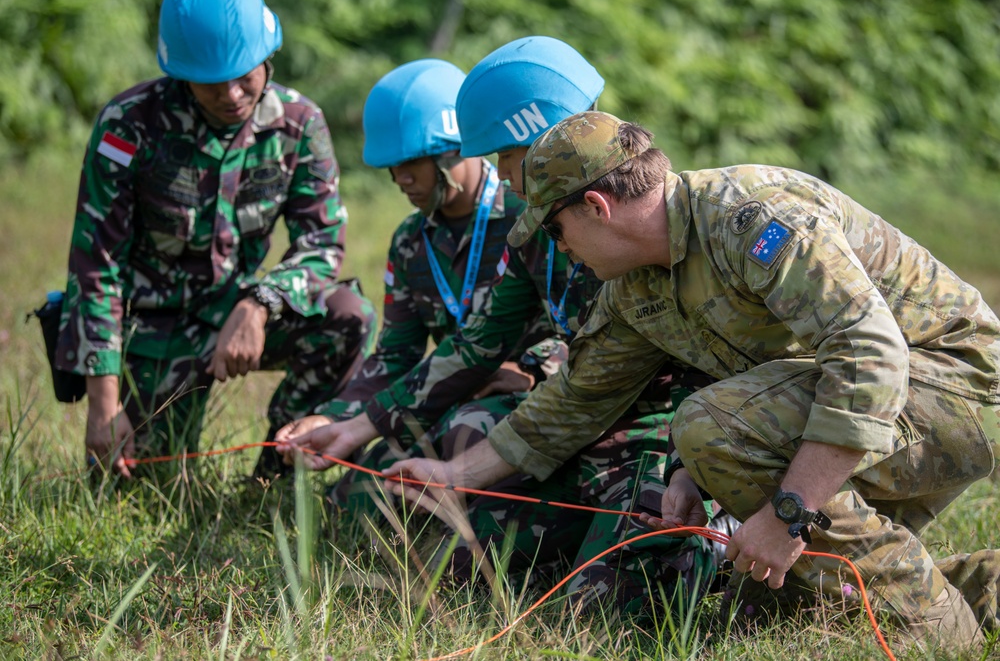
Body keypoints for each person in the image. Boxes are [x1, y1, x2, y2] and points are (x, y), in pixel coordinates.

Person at [389, 109, 1000, 649]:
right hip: (877, 414)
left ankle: (943, 632)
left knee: (709, 430)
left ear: (596, 208)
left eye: (555, 229)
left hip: (958, 391)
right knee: (762, 603)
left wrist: (788, 514)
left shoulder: (749, 217)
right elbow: (576, 399)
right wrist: (455, 476)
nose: (561, 250)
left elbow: (868, 356)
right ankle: (984, 586)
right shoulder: (635, 285)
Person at [278, 37, 727, 619]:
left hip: (652, 444)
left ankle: (713, 533)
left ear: (550, 144)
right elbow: (475, 346)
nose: (503, 178)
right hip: (567, 429)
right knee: (445, 557)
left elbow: (711, 371)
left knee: (601, 613)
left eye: (506, 160)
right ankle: (578, 544)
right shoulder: (530, 240)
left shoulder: (639, 227)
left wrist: (690, 471)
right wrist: (356, 425)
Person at [54, 0, 376, 480]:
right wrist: (103, 403)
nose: (231, 94)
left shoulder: (299, 123)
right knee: (138, 486)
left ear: (268, 57)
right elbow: (97, 265)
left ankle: (278, 475)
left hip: (239, 312)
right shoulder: (129, 124)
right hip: (153, 331)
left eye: (244, 76)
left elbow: (322, 241)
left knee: (348, 317)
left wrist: (260, 303)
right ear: (182, 74)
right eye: (211, 82)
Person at [277, 58, 523, 485]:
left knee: (461, 436)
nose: (400, 179)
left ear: (453, 148)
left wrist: (536, 368)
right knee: (364, 484)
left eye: (411, 163)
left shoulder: (525, 217)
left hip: (524, 401)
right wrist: (331, 417)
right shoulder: (411, 242)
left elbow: (578, 322)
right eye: (392, 167)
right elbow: (395, 355)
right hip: (443, 394)